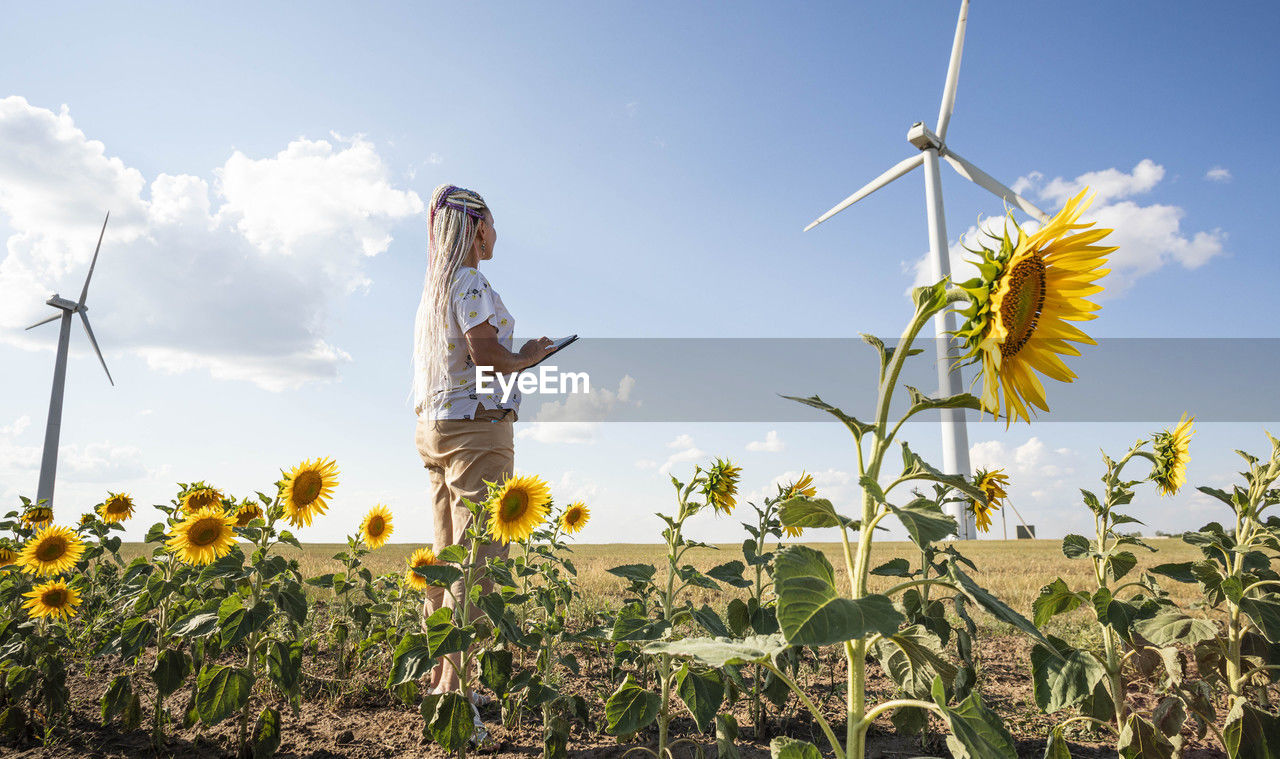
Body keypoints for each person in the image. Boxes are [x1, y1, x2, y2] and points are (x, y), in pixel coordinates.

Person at [410, 183, 553, 746]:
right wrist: (526, 358)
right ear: (474, 228)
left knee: (447, 561)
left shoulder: (435, 288)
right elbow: (481, 350)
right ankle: (456, 706)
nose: (496, 234)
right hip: (476, 431)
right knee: (477, 567)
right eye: (492, 223)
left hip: (435, 428)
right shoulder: (470, 280)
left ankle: (442, 685)